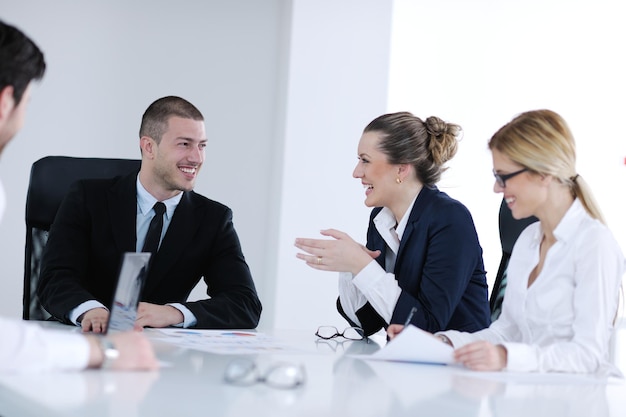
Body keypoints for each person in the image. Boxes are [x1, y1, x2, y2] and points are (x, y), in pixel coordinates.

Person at [388, 109, 625, 375]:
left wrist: (505, 357)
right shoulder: (528, 241)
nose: (497, 189)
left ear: (543, 173)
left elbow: (587, 355)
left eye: (503, 176)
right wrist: (441, 342)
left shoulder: (594, 244)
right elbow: (506, 331)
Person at [0, 19, 157, 372]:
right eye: (27, 103)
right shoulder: (84, 197)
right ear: (6, 101)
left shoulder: (211, 215)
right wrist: (104, 352)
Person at [37, 95, 262, 332]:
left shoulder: (213, 219)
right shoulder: (87, 198)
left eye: (202, 145)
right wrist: (90, 310)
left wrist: (172, 313)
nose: (196, 157)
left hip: (161, 351)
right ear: (149, 147)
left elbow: (245, 304)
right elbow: (55, 279)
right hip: (85, 340)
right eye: (184, 144)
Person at [295, 112, 491, 336]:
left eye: (365, 160)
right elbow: (367, 324)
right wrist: (351, 268)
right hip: (408, 364)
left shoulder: (450, 219)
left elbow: (426, 329)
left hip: (458, 365)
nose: (356, 172)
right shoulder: (382, 218)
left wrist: (362, 267)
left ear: (401, 169)